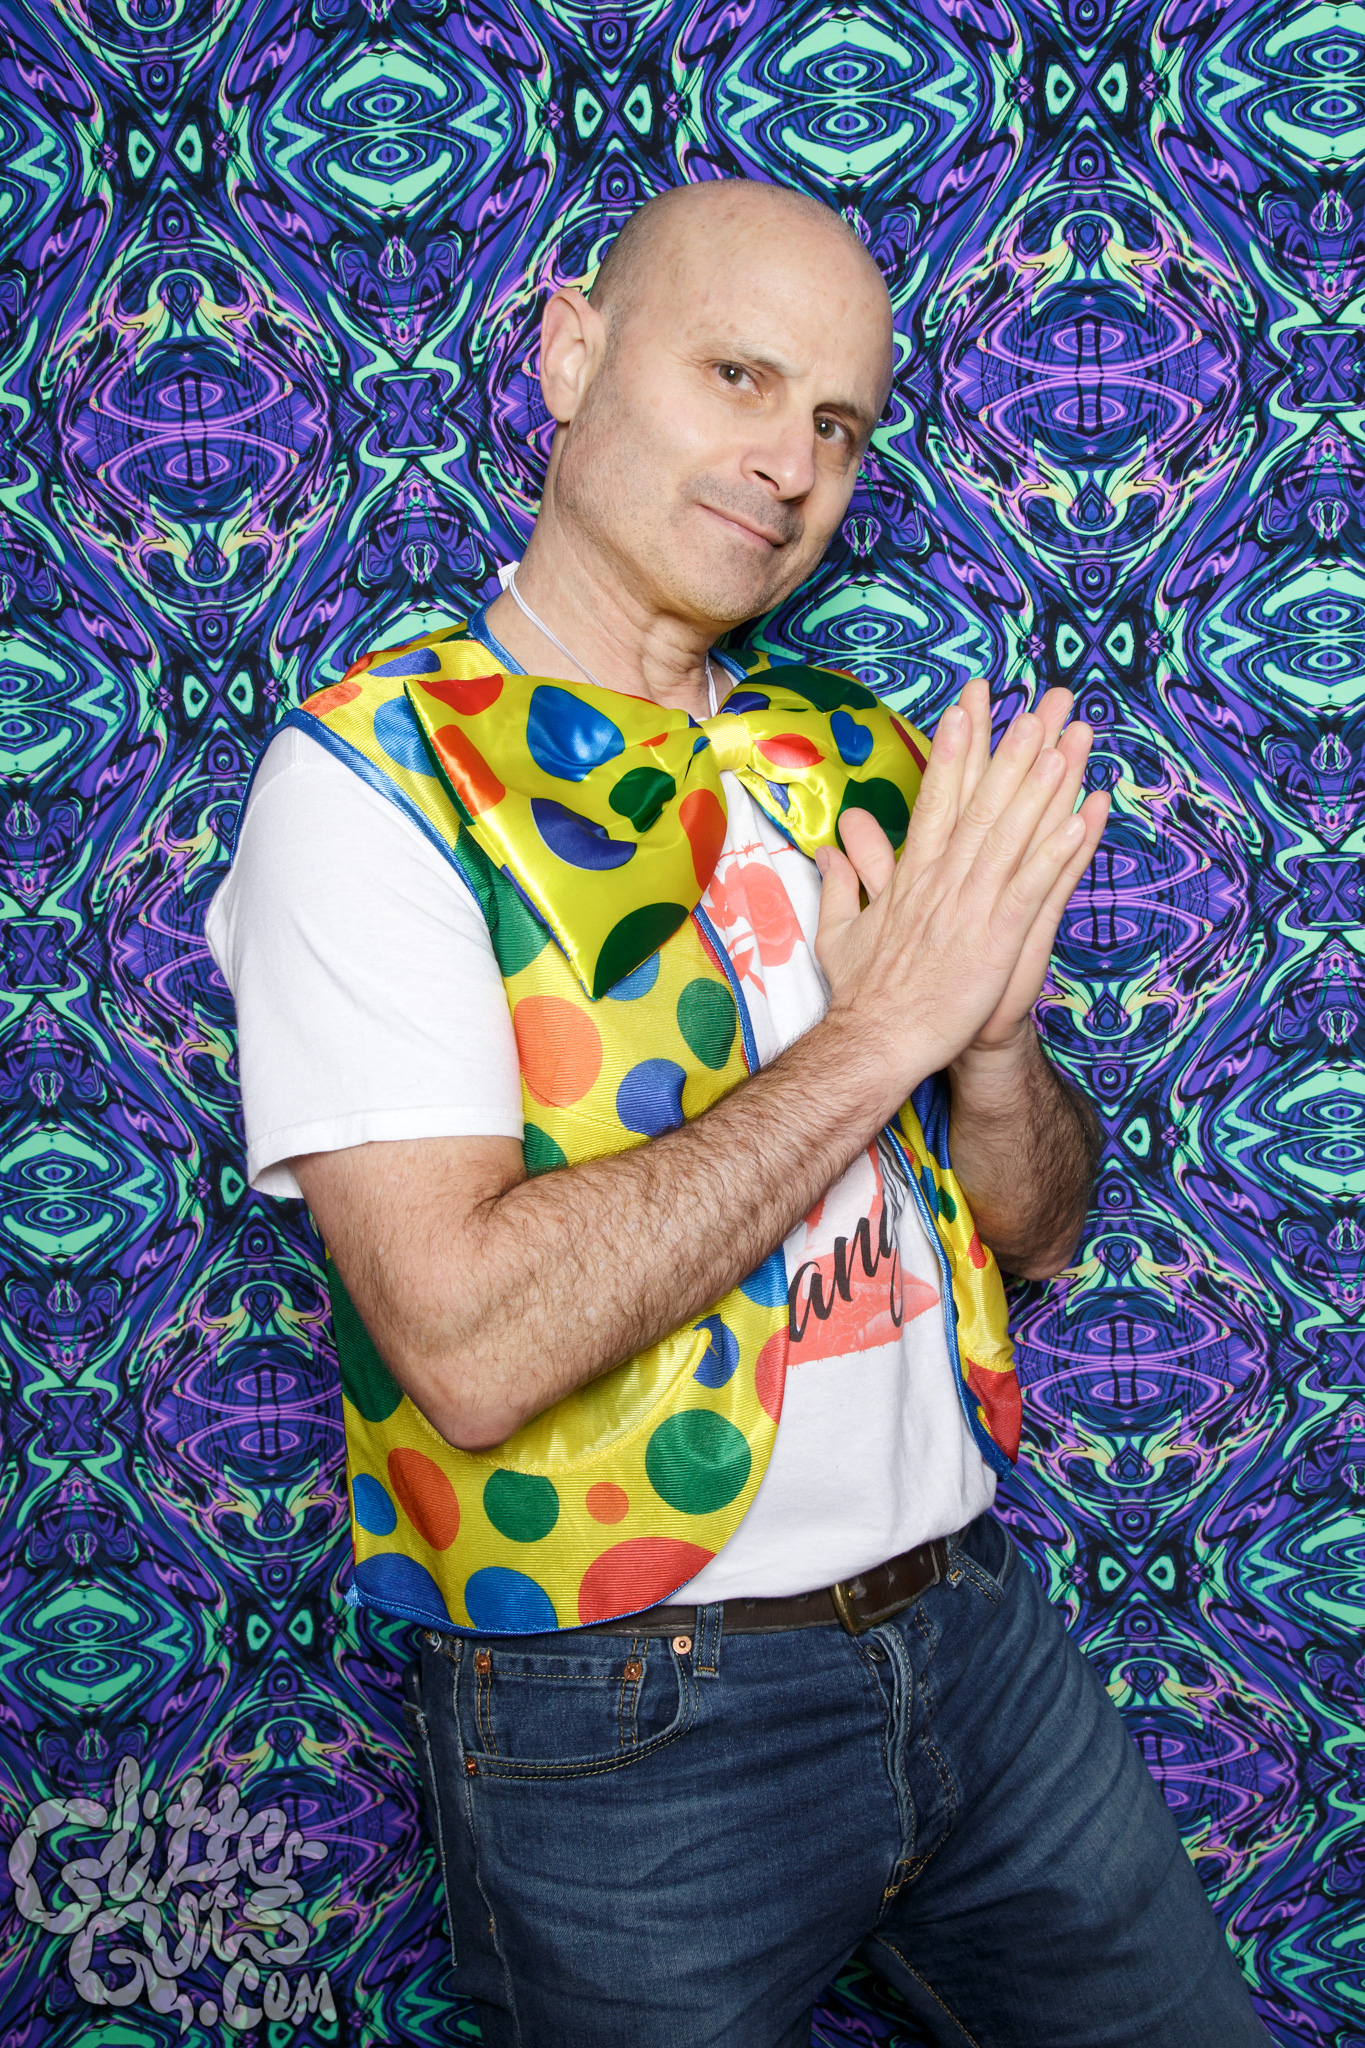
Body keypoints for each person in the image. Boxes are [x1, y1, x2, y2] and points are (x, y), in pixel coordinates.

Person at [208, 180, 1270, 2047]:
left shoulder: (854, 754)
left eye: (839, 424)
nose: (791, 464)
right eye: (737, 377)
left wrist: (991, 1048)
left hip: (973, 1634)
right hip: (626, 1723)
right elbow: (467, 1343)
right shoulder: (366, 791)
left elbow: (1036, 1233)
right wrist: (880, 1036)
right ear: (570, 353)